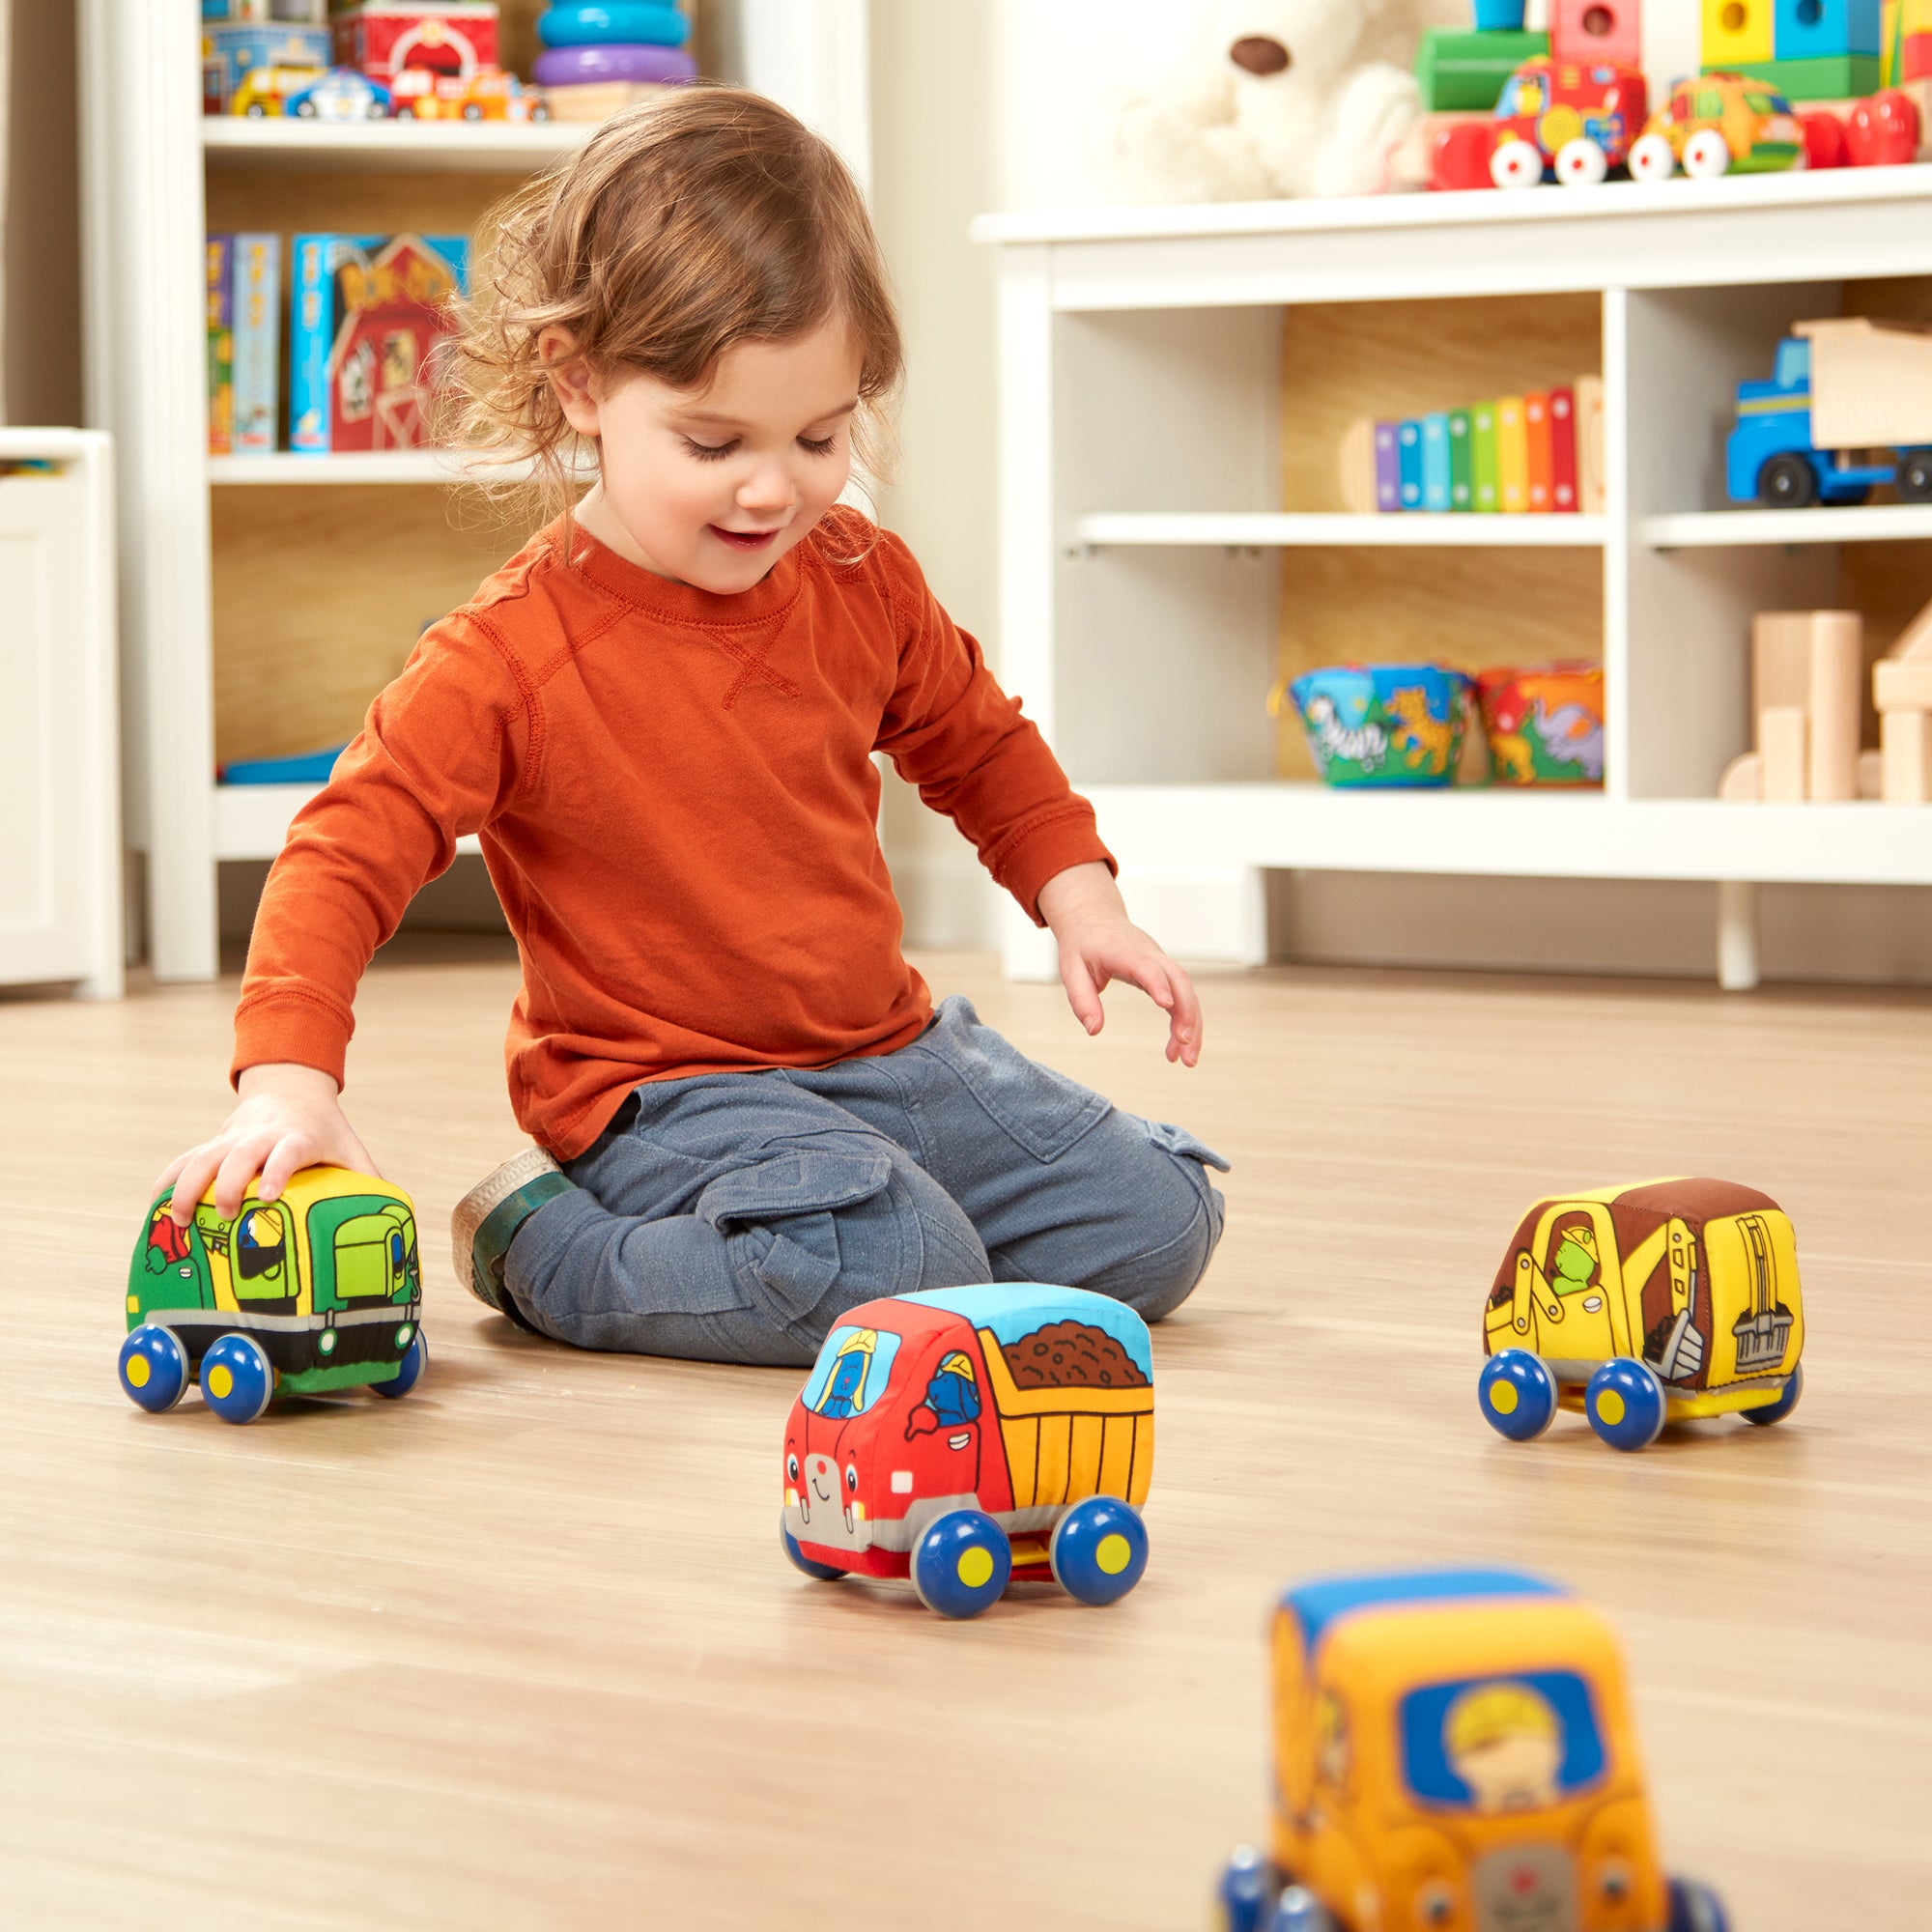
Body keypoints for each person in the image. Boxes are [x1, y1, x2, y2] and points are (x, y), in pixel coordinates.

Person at [157, 87, 1227, 1370]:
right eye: (715, 441)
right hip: (662, 1094)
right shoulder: (508, 657)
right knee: (895, 1264)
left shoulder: (857, 573)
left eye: (820, 435)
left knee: (1158, 1221)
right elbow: (346, 849)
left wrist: (1084, 901)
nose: (775, 487)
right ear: (582, 384)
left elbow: (978, 740)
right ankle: (545, 1243)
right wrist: (289, 1078)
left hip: (888, 1053)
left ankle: (848, 1231)